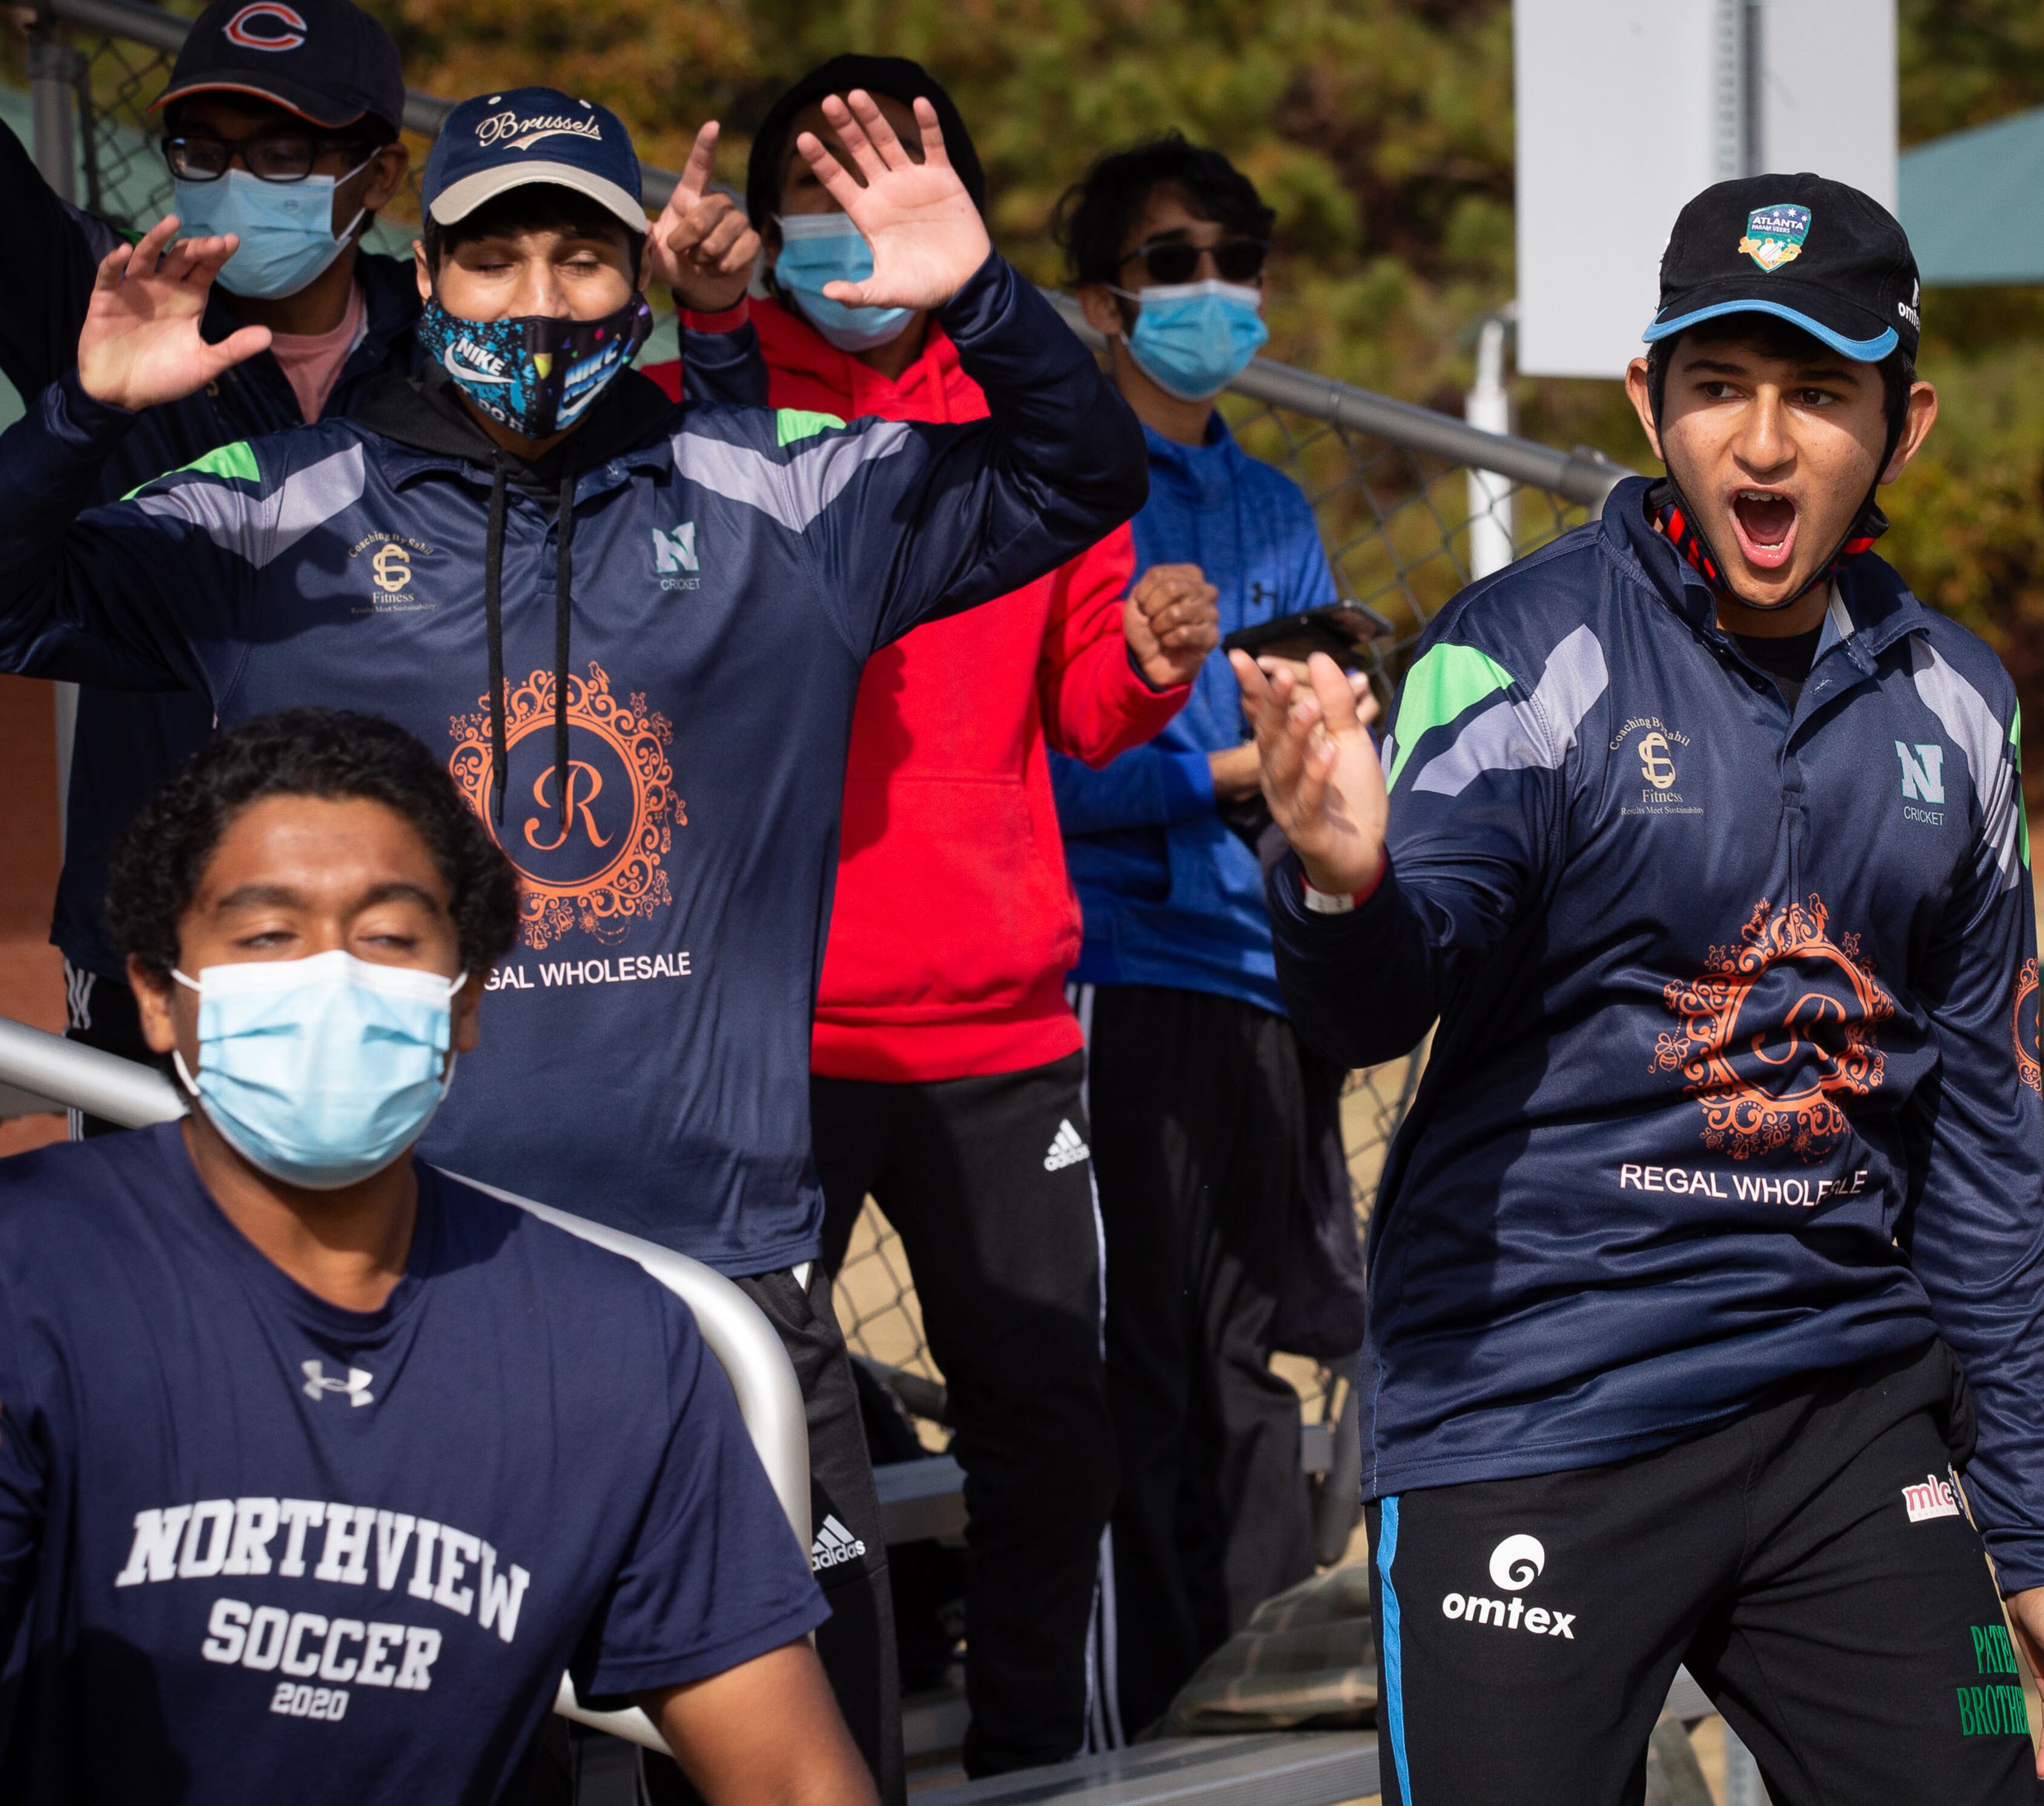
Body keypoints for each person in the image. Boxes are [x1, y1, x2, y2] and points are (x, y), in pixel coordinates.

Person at [0, 84, 1146, 1806]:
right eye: (495, 257)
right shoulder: (273, 508)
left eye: (582, 254)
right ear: (427, 266)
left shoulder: (788, 498)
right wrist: (80, 421)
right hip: (396, 1290)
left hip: (729, 1295)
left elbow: (1076, 472)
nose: (538, 300)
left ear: (638, 278)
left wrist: (983, 302)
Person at [1237, 174, 2044, 1806]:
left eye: (1819, 392)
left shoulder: (1960, 706)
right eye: (1719, 386)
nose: (1766, 444)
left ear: (1905, 422)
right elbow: (1380, 993)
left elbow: (1991, 1166)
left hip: (1847, 1413)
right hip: (1535, 1397)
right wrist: (1339, 881)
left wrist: (2035, 1532)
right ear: (1648, 397)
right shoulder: (1522, 652)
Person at [649, 56, 1216, 1776]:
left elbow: (1080, 709)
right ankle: (823, 1761)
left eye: (887, 181)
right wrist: (713, 332)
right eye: (810, 194)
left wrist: (1145, 661)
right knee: (773, 1448)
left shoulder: (1024, 411)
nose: (846, 232)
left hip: (997, 1025)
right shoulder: (711, 395)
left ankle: (1035, 1750)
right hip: (768, 1029)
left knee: (1052, 1430)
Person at [0, 706, 872, 1806]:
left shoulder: (611, 1347)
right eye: (267, 935)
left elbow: (792, 1776)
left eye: (389, 936)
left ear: (464, 1000)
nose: (330, 979)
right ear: (159, 997)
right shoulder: (33, 1278)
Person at [1048, 134, 1373, 1739]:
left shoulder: (1270, 498)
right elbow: (1068, 766)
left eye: (1234, 256)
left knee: (1251, 1373)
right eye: (1173, 262)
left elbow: (1310, 707)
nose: (1212, 290)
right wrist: (1252, 764)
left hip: (1254, 973)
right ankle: (1134, 1731)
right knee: (1146, 1372)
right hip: (1114, 970)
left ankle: (1256, 1706)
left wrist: (1272, 760)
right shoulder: (1060, 478)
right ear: (1103, 299)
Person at [0, 0, 412, 1131]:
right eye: (205, 150)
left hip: (399, 941)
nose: (238, 180)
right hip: (153, 954)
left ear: (377, 176)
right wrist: (84, 409)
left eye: (284, 153)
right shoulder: (109, 300)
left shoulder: (450, 346)